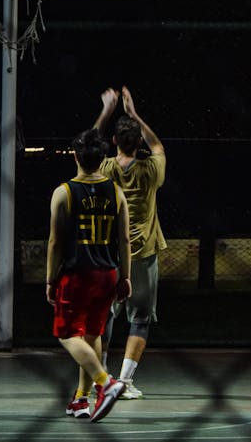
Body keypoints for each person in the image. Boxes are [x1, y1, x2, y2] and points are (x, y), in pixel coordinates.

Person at [46, 127, 131, 423]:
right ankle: (81, 400)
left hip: (78, 273)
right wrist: (126, 276)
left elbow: (55, 241)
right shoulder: (116, 192)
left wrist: (49, 278)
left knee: (67, 334)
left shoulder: (64, 192)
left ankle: (105, 382)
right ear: (104, 157)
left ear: (75, 156)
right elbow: (124, 240)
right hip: (107, 273)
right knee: (92, 334)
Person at [94, 86, 166, 399]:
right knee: (140, 320)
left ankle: (103, 378)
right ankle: (124, 381)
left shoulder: (105, 169)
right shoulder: (150, 170)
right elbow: (159, 146)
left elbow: (86, 148)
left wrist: (107, 111)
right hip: (143, 254)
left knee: (105, 316)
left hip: (110, 253)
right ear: (139, 144)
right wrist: (134, 113)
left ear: (114, 142)